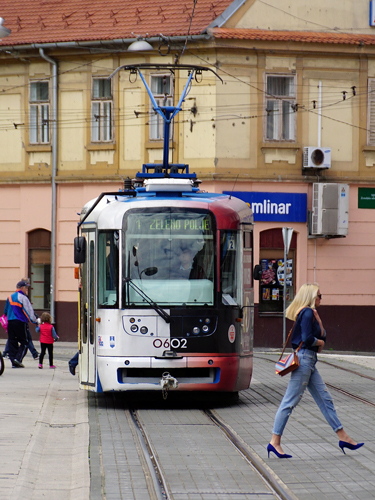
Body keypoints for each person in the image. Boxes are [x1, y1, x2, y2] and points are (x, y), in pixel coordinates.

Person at [268, 283, 364, 459]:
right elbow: (308, 338)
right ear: (312, 297)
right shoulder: (306, 313)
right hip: (305, 360)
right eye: (319, 295)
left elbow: (321, 335)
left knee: (325, 399)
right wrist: (319, 343)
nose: (321, 298)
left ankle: (343, 437)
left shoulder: (310, 314)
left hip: (309, 362)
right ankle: (275, 441)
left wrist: (319, 322)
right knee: (289, 401)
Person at [4, 279, 39, 368]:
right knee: (25, 342)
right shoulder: (23, 298)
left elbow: (5, 311)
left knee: (12, 341)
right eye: (26, 288)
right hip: (20, 322)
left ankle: (13, 362)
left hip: (10, 322)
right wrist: (35, 321)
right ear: (22, 288)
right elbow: (29, 311)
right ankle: (18, 359)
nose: (27, 290)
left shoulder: (10, 297)